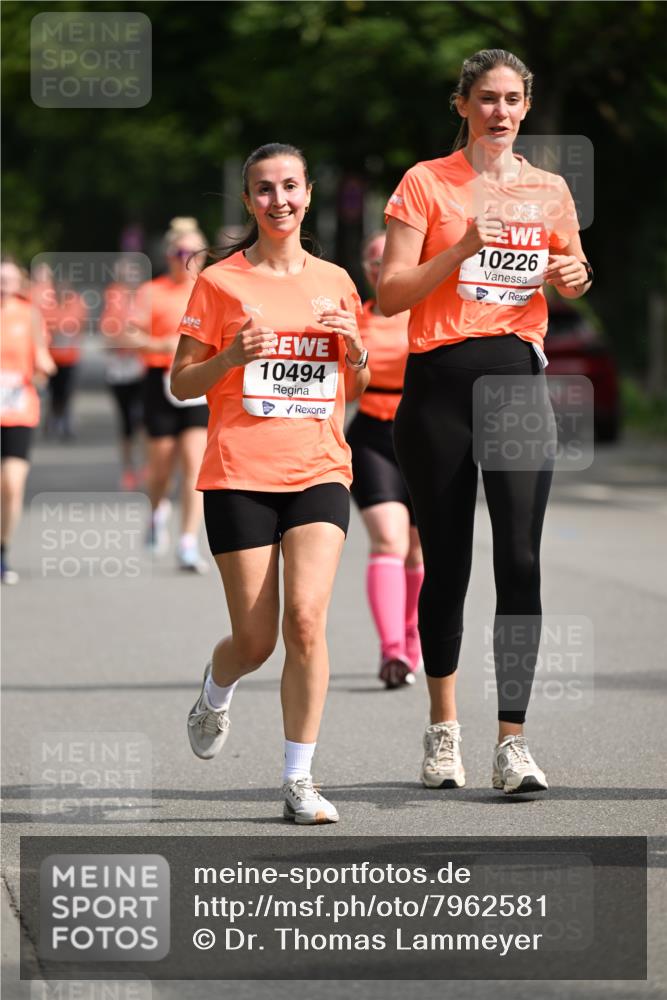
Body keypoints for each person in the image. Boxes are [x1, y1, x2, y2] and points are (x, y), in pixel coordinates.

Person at [378, 49, 591, 794]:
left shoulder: (548, 189)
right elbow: (390, 296)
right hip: (437, 385)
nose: (499, 111)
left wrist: (573, 274)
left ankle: (512, 743)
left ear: (525, 107)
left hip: (515, 385)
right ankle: (443, 733)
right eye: (486, 98)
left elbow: (572, 267)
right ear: (461, 105)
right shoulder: (425, 183)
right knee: (448, 565)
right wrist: (461, 247)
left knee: (521, 561)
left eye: (511, 99)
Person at [170, 143, 369, 824]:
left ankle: (298, 778)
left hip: (317, 468)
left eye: (289, 187)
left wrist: (358, 352)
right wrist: (230, 355)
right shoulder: (221, 283)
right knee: (255, 641)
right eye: (263, 189)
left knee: (307, 622)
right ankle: (216, 687)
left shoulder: (338, 281)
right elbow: (181, 382)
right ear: (248, 200)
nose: (277, 200)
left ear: (308, 193)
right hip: (239, 475)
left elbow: (357, 385)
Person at [346, 231, 424, 689]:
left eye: (387, 260)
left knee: (418, 551)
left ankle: (414, 643)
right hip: (373, 434)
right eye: (372, 263)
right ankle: (391, 650)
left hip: (426, 435)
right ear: (366, 270)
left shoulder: (431, 312)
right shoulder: (358, 319)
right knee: (389, 541)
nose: (380, 269)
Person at [129, 218, 210, 571]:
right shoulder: (152, 292)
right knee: (160, 469)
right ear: (169, 255)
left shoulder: (211, 289)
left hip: (198, 384)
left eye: (195, 252)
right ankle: (156, 511)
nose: (187, 258)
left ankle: (188, 543)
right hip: (158, 381)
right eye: (180, 252)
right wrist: (158, 343)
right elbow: (126, 335)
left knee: (195, 466)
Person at [1, 258, 56, 583]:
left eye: (7, 280)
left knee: (11, 482)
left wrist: (44, 366)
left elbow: (42, 357)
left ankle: (3, 549)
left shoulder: (30, 315)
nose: (2, 285)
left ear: (18, 283)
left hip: (18, 408)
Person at [99, 257, 146, 491]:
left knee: (144, 419)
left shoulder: (146, 296)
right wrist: (126, 339)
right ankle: (128, 469)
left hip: (142, 365)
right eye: (126, 274)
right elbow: (107, 334)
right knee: (126, 421)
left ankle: (146, 464)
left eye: (133, 274)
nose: (130, 278)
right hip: (119, 367)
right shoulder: (113, 297)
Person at [31, 263, 87, 440]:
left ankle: (64, 422)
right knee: (54, 392)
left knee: (67, 392)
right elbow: (42, 326)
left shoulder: (77, 302)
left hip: (70, 357)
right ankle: (53, 419)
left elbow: (81, 324)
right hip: (52, 357)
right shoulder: (48, 304)